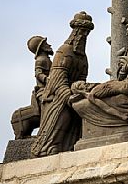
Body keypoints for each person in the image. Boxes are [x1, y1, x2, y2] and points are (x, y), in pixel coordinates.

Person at [31, 11, 94, 157]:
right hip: (56, 97)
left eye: (87, 32)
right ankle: (47, 146)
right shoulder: (64, 51)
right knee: (65, 116)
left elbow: (82, 78)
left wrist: (82, 91)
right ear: (75, 32)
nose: (84, 35)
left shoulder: (83, 56)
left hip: (71, 93)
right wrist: (69, 96)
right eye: (82, 31)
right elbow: (57, 80)